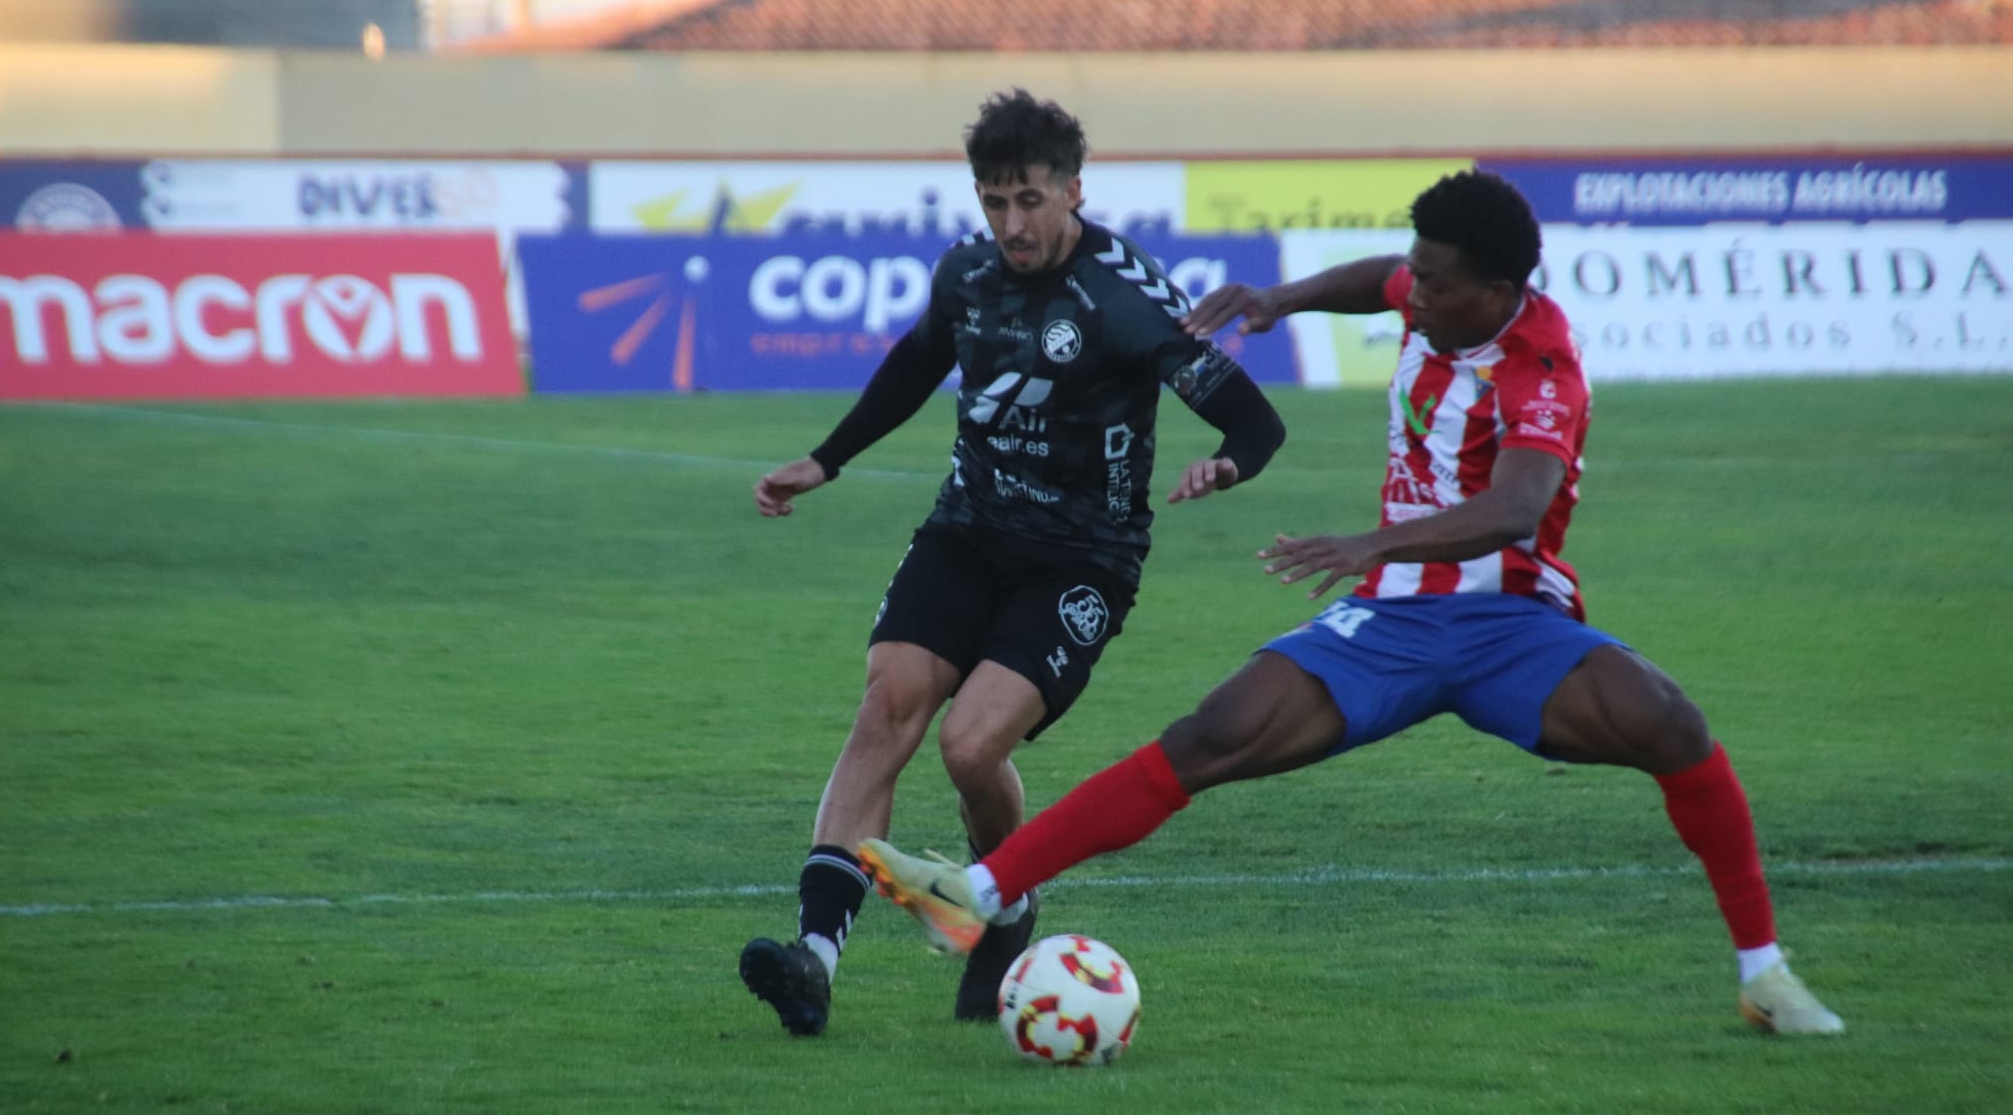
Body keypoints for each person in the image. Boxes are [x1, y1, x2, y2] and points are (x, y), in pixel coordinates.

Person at [860, 168, 1845, 1037]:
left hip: (1508, 625)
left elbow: (1517, 506)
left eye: (1433, 280)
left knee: (1669, 724)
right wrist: (1277, 299)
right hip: (1390, 625)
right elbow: (1375, 276)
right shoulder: (1439, 293)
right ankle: (977, 894)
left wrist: (1369, 543)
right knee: (1210, 736)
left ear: (1495, 294)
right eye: (1414, 270)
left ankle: (1762, 975)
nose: (1410, 291)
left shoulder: (1538, 368)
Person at [739, 88, 1288, 1036]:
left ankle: (1008, 899)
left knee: (970, 744)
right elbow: (916, 363)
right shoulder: (968, 276)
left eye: (1029, 200)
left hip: (1081, 559)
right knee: (887, 705)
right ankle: (815, 958)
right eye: (994, 202)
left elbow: (1255, 415)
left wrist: (1228, 460)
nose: (1011, 223)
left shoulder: (1125, 296)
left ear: (1074, 189)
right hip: (968, 531)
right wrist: (826, 459)